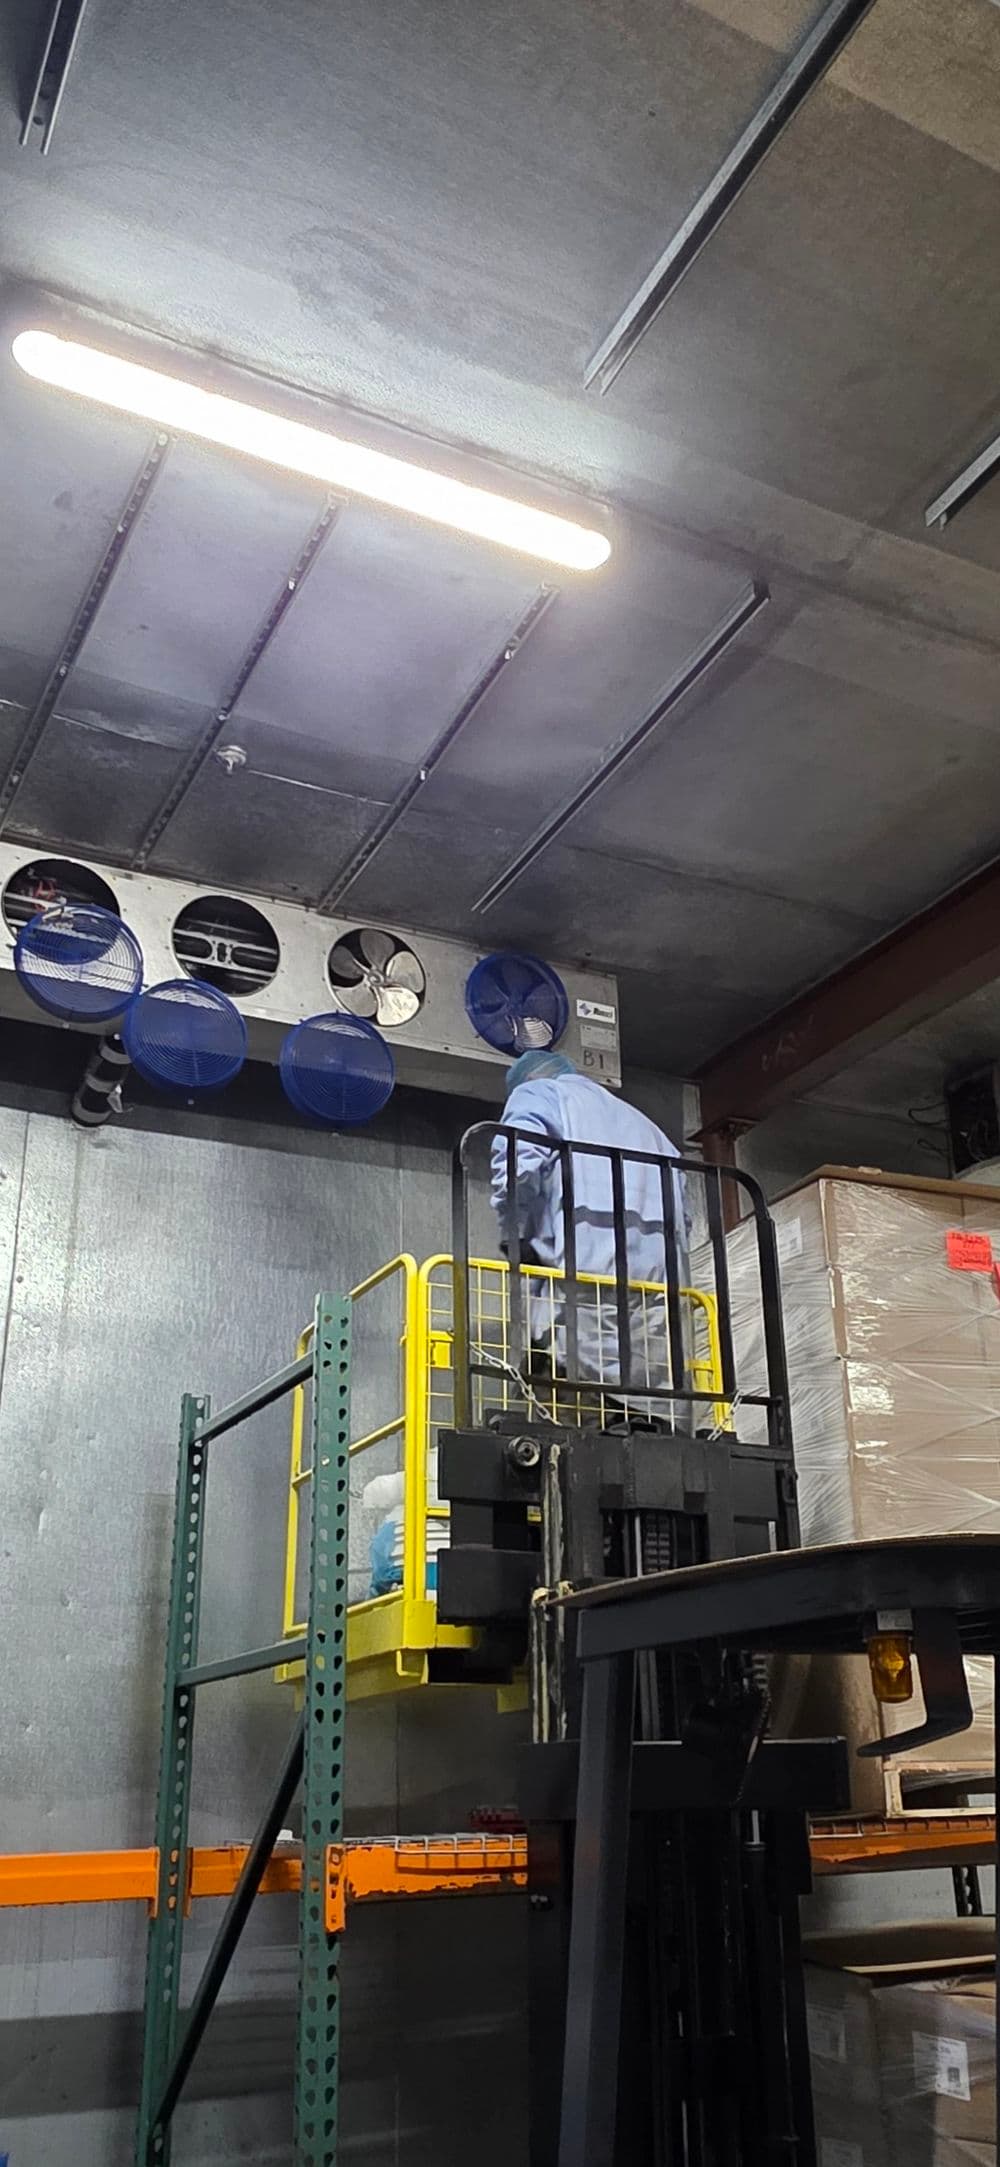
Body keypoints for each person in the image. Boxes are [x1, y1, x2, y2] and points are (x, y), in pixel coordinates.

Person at [489, 1050, 689, 1415]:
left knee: (570, 1404)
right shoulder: (653, 1132)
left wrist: (515, 1236)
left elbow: (517, 1170)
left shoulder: (541, 1095)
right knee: (644, 1406)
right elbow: (684, 1219)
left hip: (584, 1274)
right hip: (659, 1288)